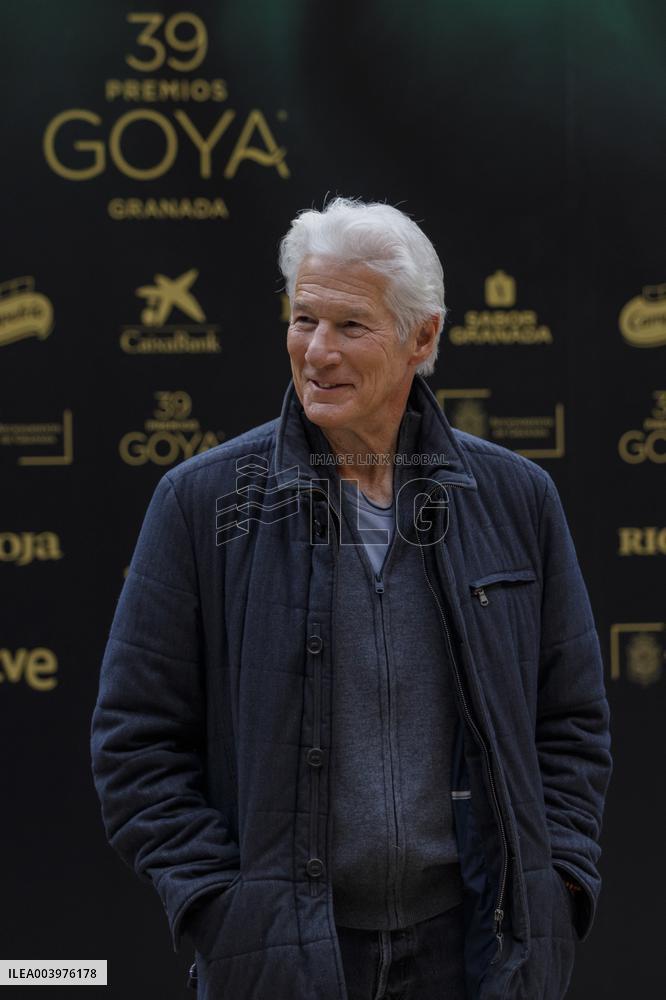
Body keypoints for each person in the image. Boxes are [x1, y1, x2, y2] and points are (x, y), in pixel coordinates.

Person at [90, 197, 613, 1000]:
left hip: (474, 954)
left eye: (350, 327)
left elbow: (571, 723)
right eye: (304, 320)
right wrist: (224, 909)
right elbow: (135, 742)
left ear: (423, 337)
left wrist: (557, 883)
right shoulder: (199, 503)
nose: (317, 352)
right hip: (284, 959)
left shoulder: (518, 499)